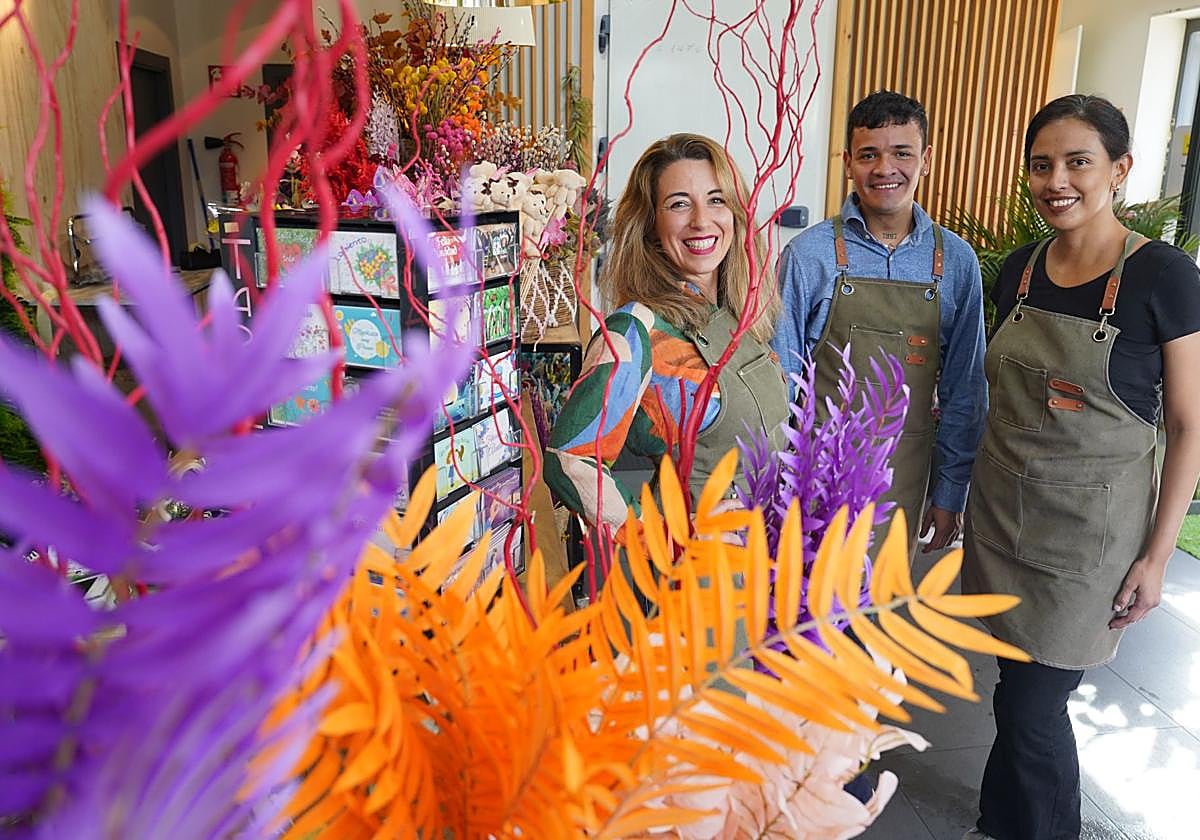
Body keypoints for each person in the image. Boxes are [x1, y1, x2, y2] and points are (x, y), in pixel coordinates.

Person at [961, 95, 1200, 840]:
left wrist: (1157, 559)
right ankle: (1000, 822)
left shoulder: (1165, 276)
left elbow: (1189, 426)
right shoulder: (1019, 271)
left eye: (1078, 162)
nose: (1056, 179)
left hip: (1086, 545)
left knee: (1033, 709)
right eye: (1042, 164)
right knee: (1014, 690)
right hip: (1002, 522)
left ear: (1120, 170)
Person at [773, 90, 987, 556]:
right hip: (815, 481)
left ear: (926, 159)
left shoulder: (956, 262)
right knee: (809, 616)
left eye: (902, 153)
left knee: (880, 618)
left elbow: (964, 390)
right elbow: (781, 384)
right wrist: (779, 486)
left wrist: (950, 492)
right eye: (869, 154)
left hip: (905, 483)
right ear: (849, 162)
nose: (885, 168)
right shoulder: (808, 256)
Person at [544, 133, 789, 533]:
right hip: (694, 577)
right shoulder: (636, 329)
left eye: (716, 199)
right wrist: (659, 532)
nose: (701, 220)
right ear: (650, 224)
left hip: (765, 561)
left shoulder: (737, 316)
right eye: (679, 204)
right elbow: (568, 461)